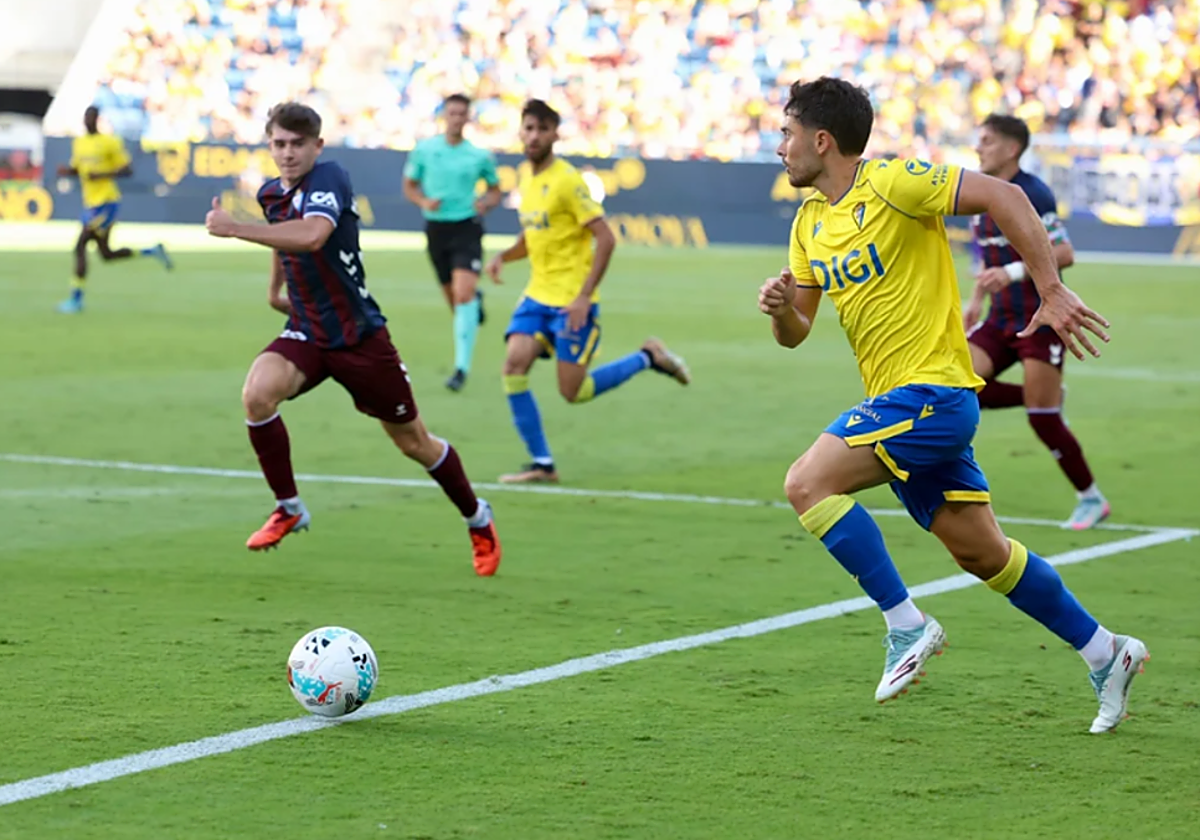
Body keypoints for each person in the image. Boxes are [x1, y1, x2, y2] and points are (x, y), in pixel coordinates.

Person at [758, 78, 1145, 732]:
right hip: (900, 404)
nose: (779, 147)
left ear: (821, 141)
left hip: (933, 394)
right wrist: (778, 311)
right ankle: (1107, 652)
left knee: (807, 482)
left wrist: (1050, 288)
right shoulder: (808, 224)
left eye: (786, 133)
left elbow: (1005, 195)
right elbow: (797, 330)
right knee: (984, 555)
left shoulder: (894, 183)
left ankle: (906, 624)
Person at [204, 102, 501, 576]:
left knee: (415, 443)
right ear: (269, 146)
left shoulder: (330, 178)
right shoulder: (271, 193)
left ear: (317, 146)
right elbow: (283, 237)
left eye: (298, 144)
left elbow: (313, 235)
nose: (288, 153)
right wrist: (275, 289)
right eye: (279, 144)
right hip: (307, 329)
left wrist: (234, 228)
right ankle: (289, 508)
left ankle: (477, 517)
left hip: (359, 337)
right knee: (257, 395)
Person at [485, 100, 690, 484]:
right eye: (528, 128)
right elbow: (534, 235)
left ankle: (648, 357)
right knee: (513, 365)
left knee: (573, 392)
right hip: (537, 295)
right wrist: (504, 257)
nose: (533, 136)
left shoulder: (568, 181)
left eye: (542, 129)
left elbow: (606, 238)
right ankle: (543, 464)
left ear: (554, 134)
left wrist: (583, 297)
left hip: (571, 301)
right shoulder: (526, 179)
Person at [964, 114, 1108, 530]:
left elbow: (1064, 253)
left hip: (1040, 318)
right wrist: (975, 299)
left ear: (1012, 149)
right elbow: (988, 260)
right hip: (998, 318)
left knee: (1043, 418)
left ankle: (1091, 498)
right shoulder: (977, 194)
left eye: (987, 141)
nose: (979, 148)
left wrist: (1010, 273)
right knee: (957, 387)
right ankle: (1041, 394)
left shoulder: (1033, 193)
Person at [404, 93, 504, 392]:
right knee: (455, 299)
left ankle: (461, 368)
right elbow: (410, 185)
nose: (457, 118)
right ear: (444, 115)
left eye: (462, 113)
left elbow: (495, 190)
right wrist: (423, 201)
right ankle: (475, 300)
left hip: (467, 227)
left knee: (462, 295)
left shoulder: (479, 155)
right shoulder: (425, 150)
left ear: (468, 117)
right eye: (452, 113)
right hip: (436, 229)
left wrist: (486, 203)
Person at [55, 105, 172, 313]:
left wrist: (101, 175)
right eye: (86, 117)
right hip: (91, 204)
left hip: (107, 202)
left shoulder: (110, 142)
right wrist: (68, 171)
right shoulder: (80, 143)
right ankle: (151, 251)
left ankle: (76, 299)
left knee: (80, 245)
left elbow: (127, 170)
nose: (88, 121)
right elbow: (79, 169)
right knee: (106, 254)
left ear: (97, 120)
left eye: (91, 117)